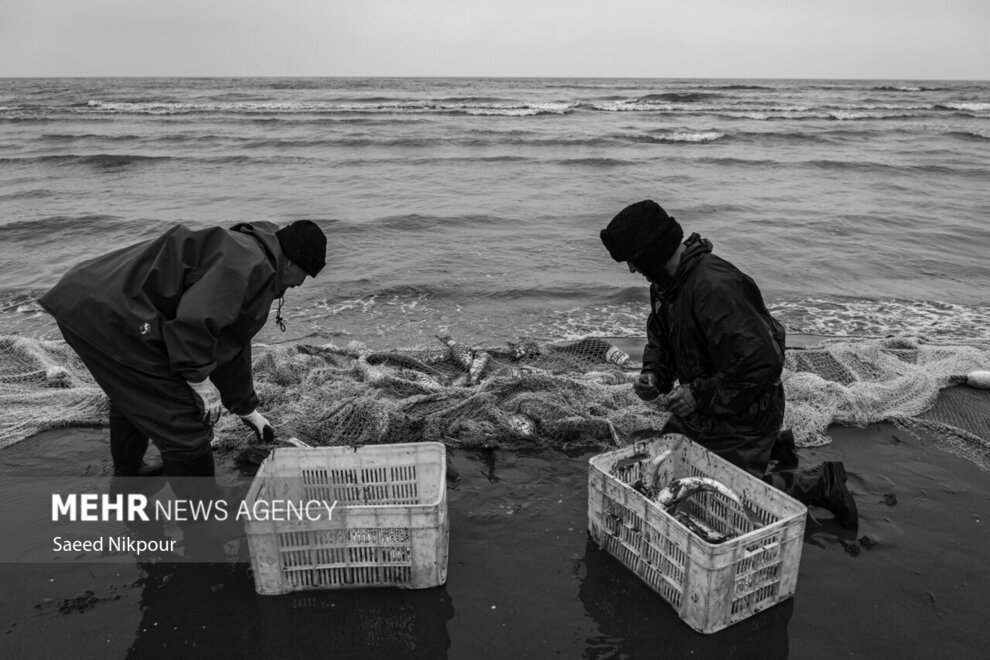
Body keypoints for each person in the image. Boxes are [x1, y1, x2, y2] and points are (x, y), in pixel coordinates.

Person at [600, 200, 857, 527]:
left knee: (717, 500)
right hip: (706, 409)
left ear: (652, 251)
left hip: (746, 411)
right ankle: (776, 449)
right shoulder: (665, 286)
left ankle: (820, 482)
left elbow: (762, 365)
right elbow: (661, 340)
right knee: (662, 472)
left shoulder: (715, 286)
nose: (632, 270)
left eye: (634, 260)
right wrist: (654, 373)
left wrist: (697, 394)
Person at [39, 220, 327, 480]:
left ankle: (129, 475)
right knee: (186, 428)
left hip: (97, 298)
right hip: (108, 314)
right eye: (304, 274)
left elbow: (230, 338)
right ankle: (200, 522)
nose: (300, 283)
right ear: (291, 261)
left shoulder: (257, 256)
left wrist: (245, 407)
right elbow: (193, 324)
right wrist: (199, 380)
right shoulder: (244, 265)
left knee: (135, 393)